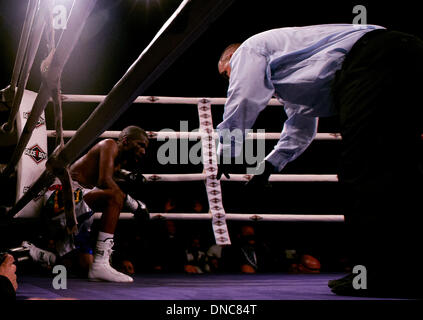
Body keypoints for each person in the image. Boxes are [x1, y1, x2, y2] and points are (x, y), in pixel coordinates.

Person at [216, 24, 423, 297]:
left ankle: (375, 274)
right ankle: (409, 271)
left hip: (371, 61)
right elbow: (302, 127)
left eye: (227, 73)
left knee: (363, 169)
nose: (229, 80)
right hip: (402, 52)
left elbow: (243, 96)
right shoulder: (292, 71)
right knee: (401, 166)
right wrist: (269, 166)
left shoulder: (249, 49)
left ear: (232, 60)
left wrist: (229, 150)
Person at [27, 125, 150, 282]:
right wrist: (134, 204)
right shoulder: (109, 144)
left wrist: (127, 177)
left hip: (77, 205)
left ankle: (43, 255)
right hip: (62, 198)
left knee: (84, 267)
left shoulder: (116, 163)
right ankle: (102, 262)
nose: (143, 151)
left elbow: (110, 173)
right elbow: (104, 181)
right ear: (125, 141)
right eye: (140, 145)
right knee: (115, 197)